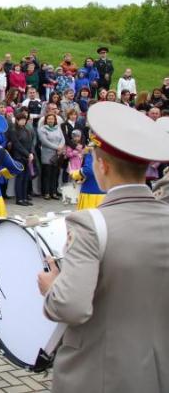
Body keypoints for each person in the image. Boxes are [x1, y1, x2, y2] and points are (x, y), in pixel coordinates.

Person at [38, 102, 169, 393]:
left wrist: (52, 287)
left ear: (102, 165)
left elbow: (70, 306)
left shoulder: (89, 224)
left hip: (102, 374)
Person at [8, 111, 35, 206]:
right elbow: (17, 145)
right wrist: (28, 154)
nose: (23, 122)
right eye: (21, 120)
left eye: (24, 120)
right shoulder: (13, 130)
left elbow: (30, 143)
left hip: (27, 157)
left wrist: (31, 153)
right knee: (20, 178)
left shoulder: (26, 130)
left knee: (26, 178)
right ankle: (19, 199)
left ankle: (24, 197)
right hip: (19, 157)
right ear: (17, 120)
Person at [38, 112, 65, 200]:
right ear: (46, 120)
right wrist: (57, 148)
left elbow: (63, 139)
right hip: (47, 154)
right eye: (49, 119)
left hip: (57, 154)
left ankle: (53, 192)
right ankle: (46, 192)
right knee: (47, 174)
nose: (51, 120)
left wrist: (60, 147)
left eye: (52, 119)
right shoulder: (42, 129)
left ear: (55, 120)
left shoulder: (58, 128)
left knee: (55, 174)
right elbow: (44, 141)